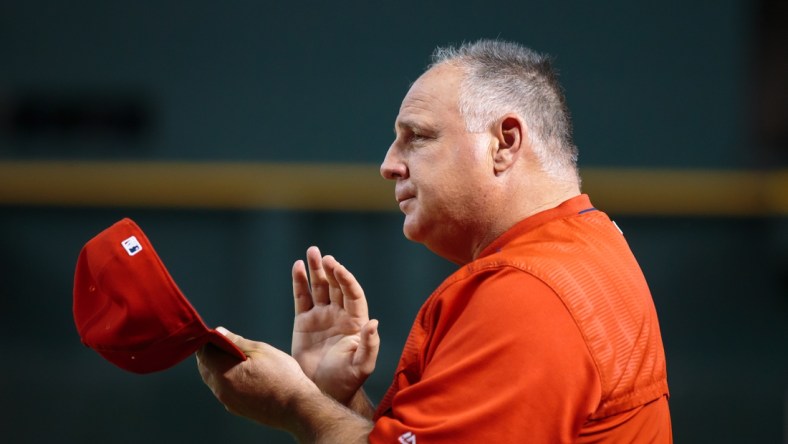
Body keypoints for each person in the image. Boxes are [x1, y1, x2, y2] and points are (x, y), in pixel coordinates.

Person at [196, 39, 672, 443]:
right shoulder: (582, 247)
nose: (389, 164)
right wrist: (332, 397)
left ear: (504, 142)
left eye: (416, 137)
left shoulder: (532, 293)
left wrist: (294, 403)